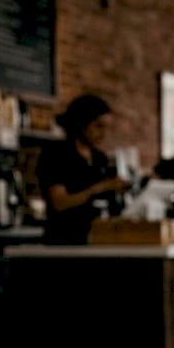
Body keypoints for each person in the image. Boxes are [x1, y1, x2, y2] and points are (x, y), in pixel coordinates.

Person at [36, 94, 131, 245]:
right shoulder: (56, 154)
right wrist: (97, 189)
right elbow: (59, 203)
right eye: (98, 126)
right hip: (64, 242)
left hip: (98, 240)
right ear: (81, 123)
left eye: (106, 127)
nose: (104, 133)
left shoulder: (100, 158)